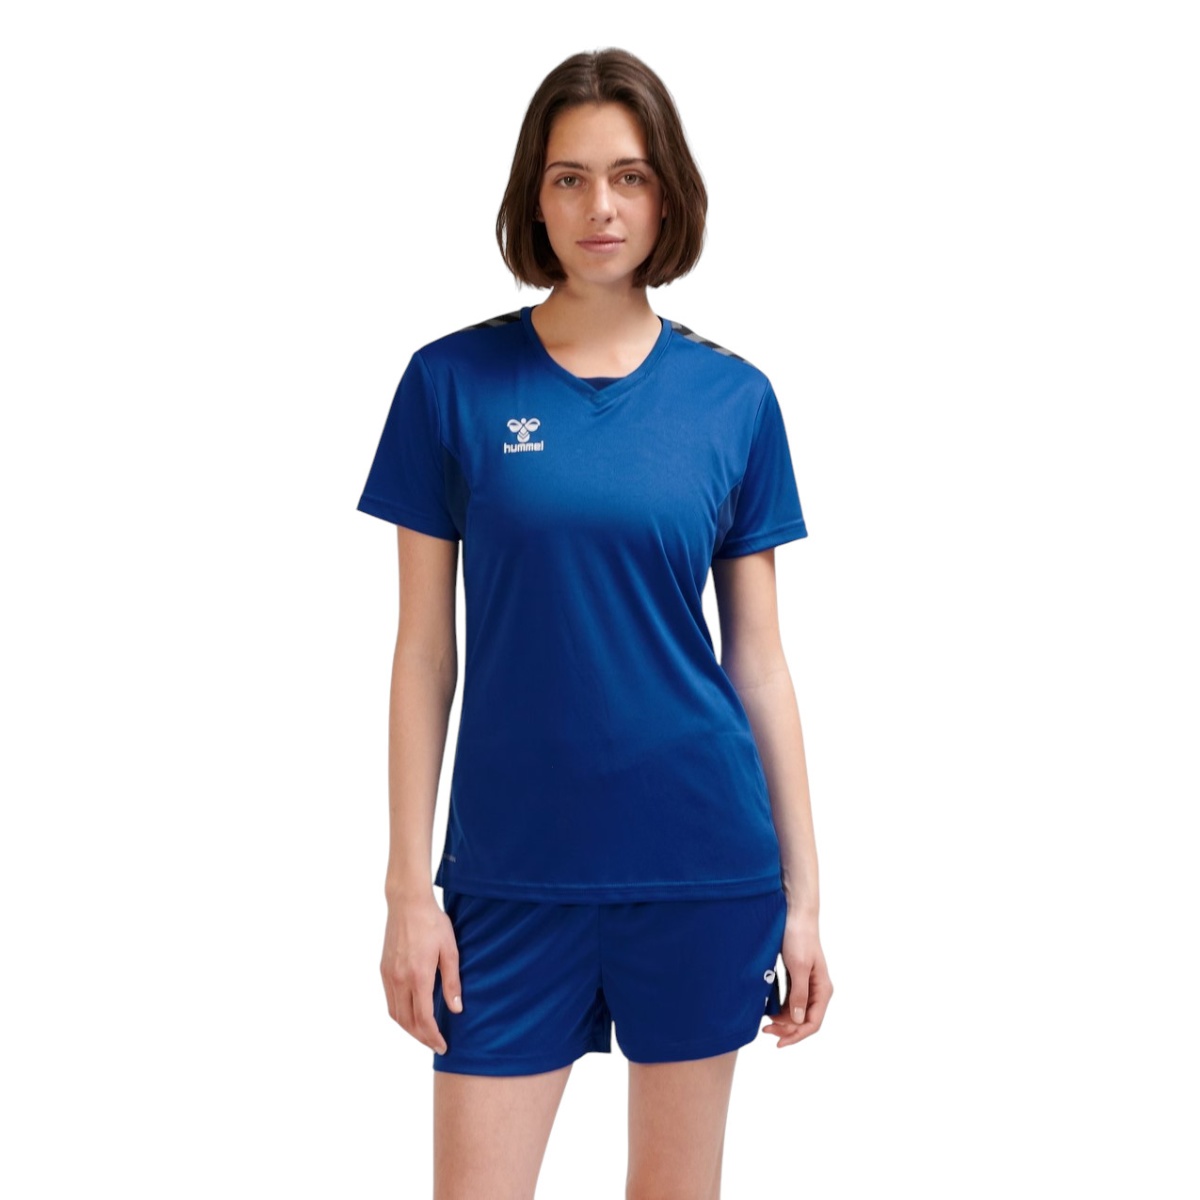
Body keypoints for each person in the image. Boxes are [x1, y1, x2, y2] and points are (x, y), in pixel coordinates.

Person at [356, 47, 832, 1199]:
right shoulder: (450, 384)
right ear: (535, 197)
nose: (600, 207)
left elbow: (759, 664)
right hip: (509, 879)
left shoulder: (735, 400)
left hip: (699, 865)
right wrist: (406, 889)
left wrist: (808, 902)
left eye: (628, 176)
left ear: (667, 196)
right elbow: (423, 655)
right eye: (569, 178)